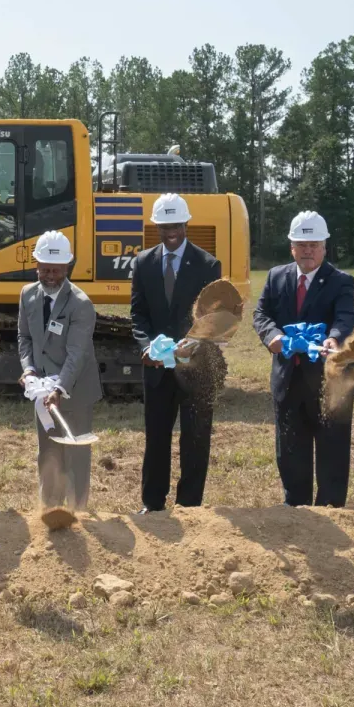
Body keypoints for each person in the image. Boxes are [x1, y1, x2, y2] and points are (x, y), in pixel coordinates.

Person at [252, 211, 354, 507]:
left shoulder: (341, 281)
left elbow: (347, 316)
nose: (308, 251)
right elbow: (261, 314)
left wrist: (334, 338)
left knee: (332, 449)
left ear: (325, 247)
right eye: (301, 244)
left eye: (314, 244)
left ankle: (330, 508)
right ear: (292, 247)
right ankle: (296, 509)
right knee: (290, 449)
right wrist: (271, 336)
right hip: (289, 379)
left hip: (330, 382)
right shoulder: (277, 276)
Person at [129, 194, 223, 514]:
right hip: (157, 370)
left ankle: (190, 503)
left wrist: (194, 342)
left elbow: (212, 317)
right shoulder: (143, 263)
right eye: (164, 225)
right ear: (157, 226)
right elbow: (138, 314)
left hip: (195, 368)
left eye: (176, 225)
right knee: (157, 438)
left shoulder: (208, 264)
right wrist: (146, 346)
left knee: (195, 439)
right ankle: (152, 503)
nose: (171, 231)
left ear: (186, 224)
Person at [17, 231, 100, 517]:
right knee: (49, 449)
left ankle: (78, 514)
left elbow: (77, 354)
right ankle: (50, 511)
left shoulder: (81, 304)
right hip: (44, 389)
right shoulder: (27, 295)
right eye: (44, 268)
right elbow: (24, 337)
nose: (50, 275)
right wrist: (28, 369)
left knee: (76, 453)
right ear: (36, 265)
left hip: (74, 388)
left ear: (67, 268)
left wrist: (59, 389)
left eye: (56, 269)